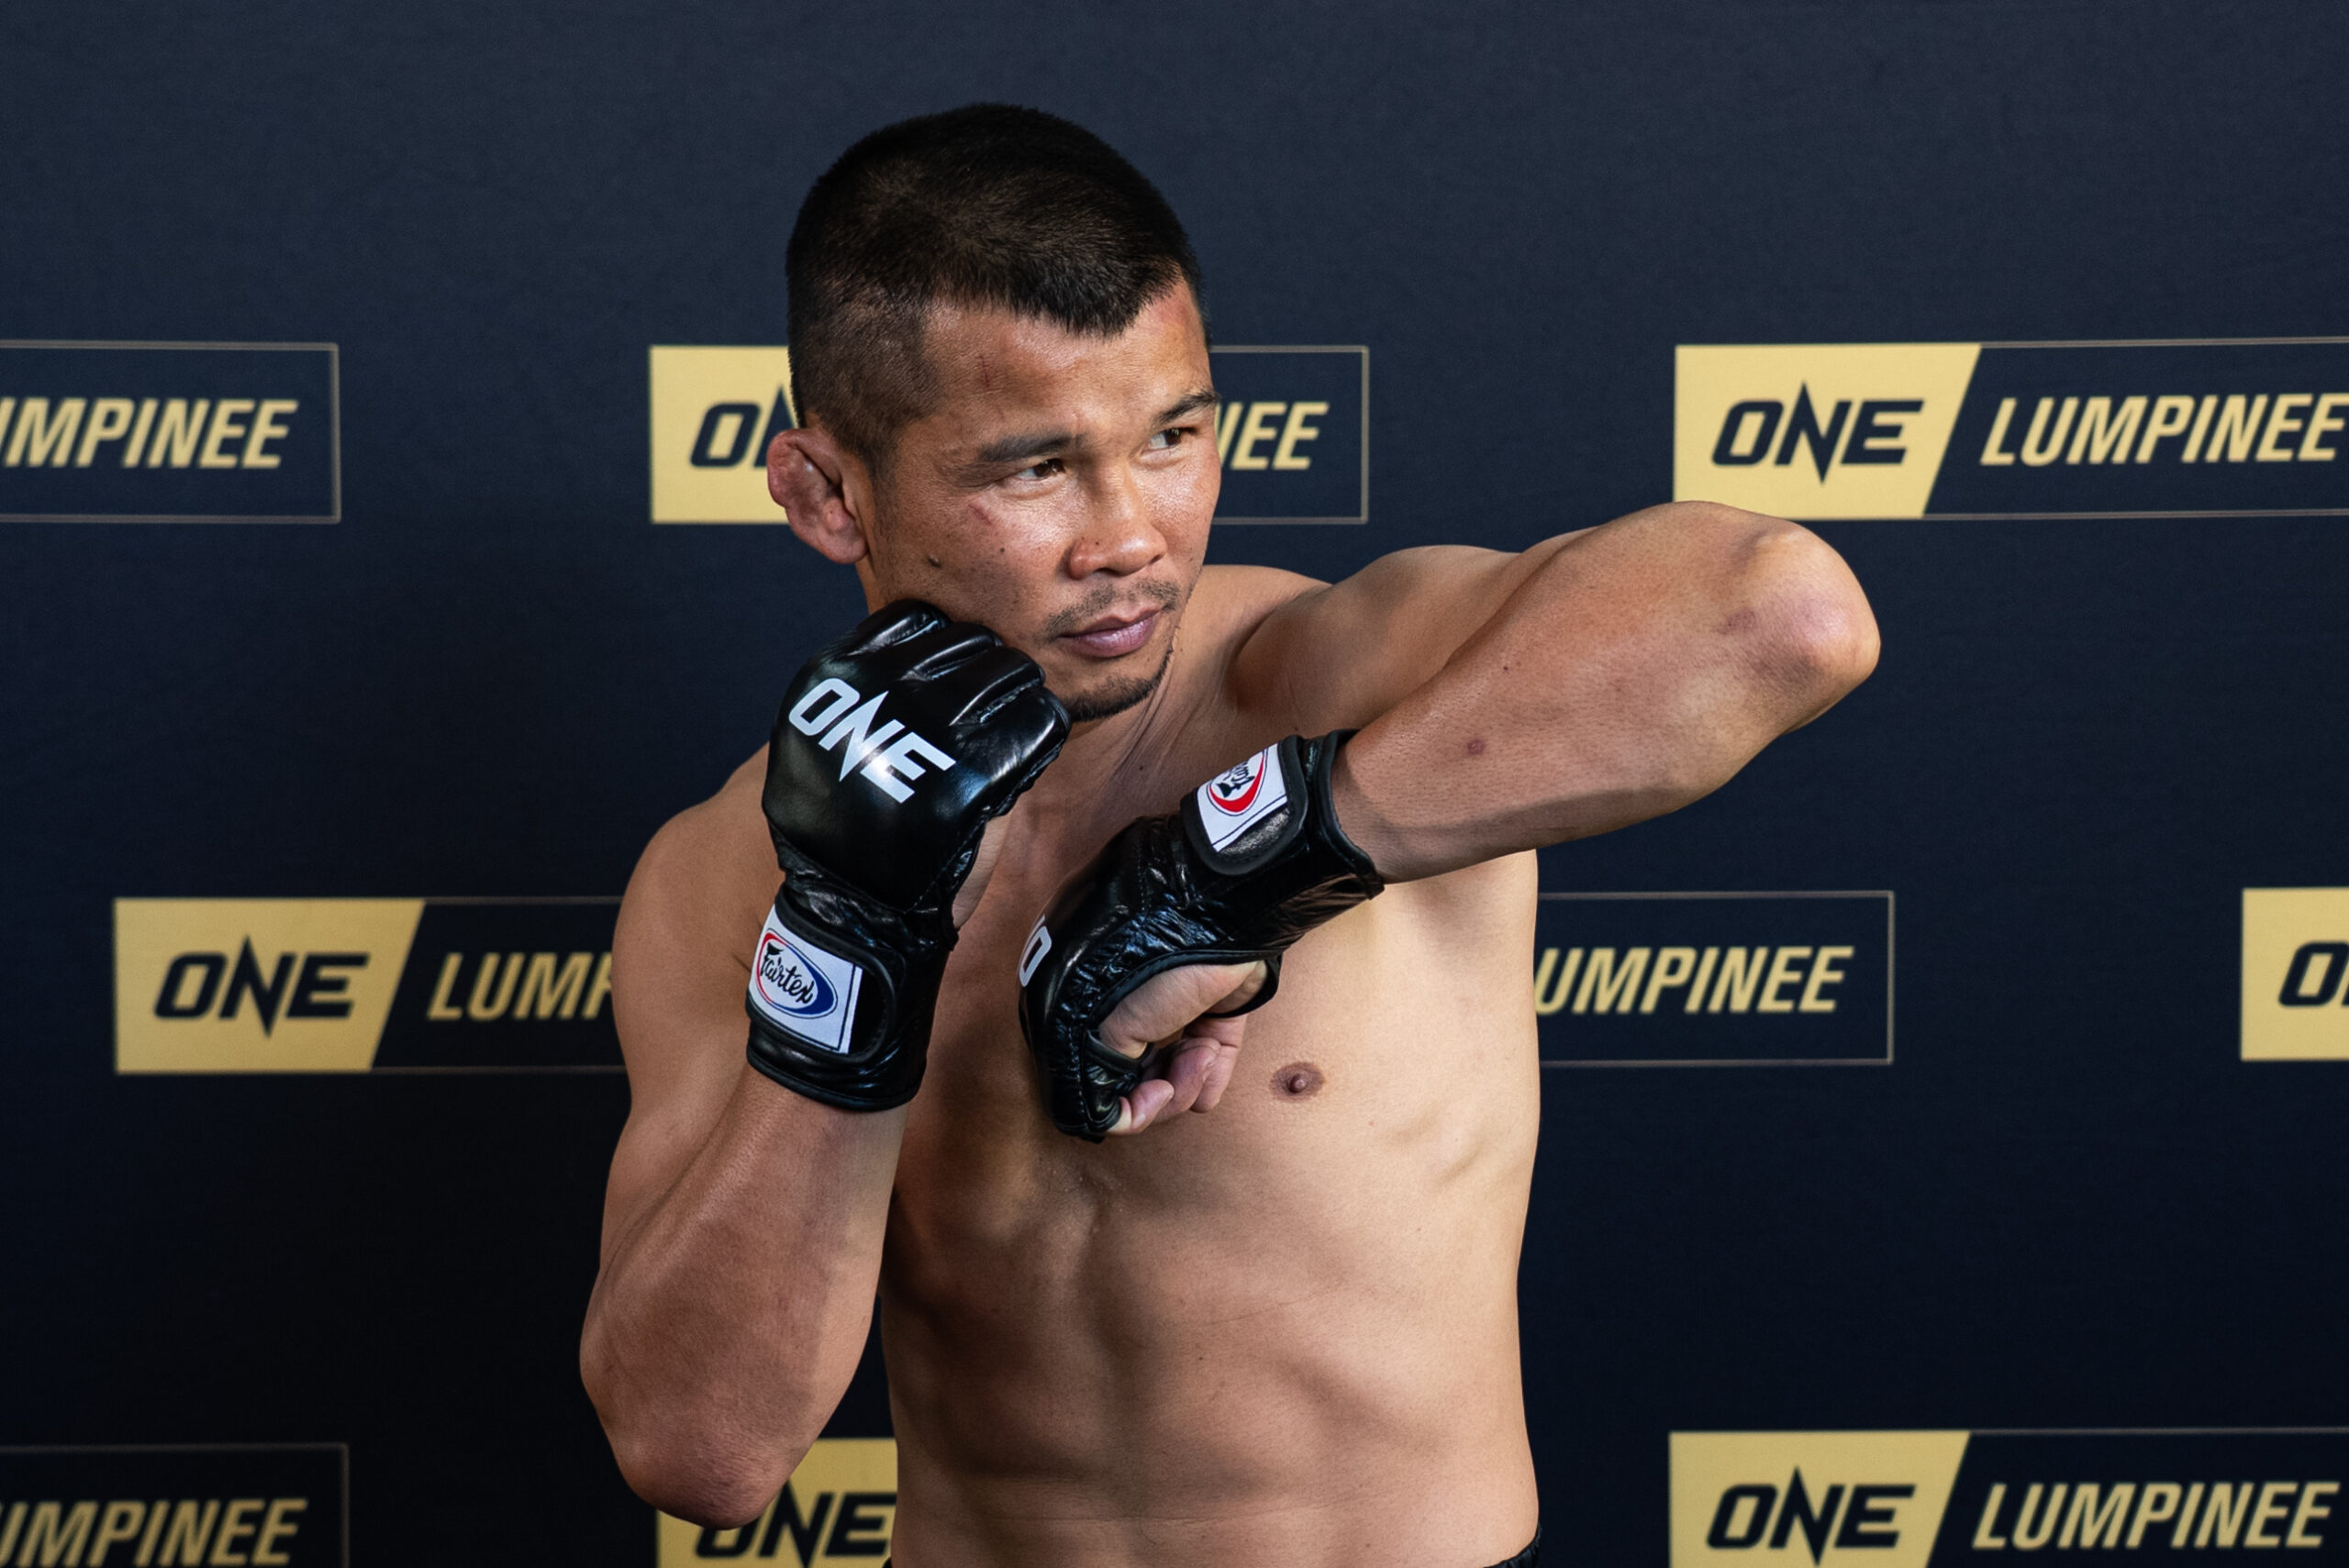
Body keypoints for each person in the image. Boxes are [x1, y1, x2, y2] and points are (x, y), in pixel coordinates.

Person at [580, 103, 1878, 1568]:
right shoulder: (731, 874)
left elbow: (1784, 614)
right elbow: (699, 1449)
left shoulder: (1337, 680)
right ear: (826, 493)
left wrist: (1233, 870)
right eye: (1033, 468)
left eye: (1174, 437)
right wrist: (855, 951)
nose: (1131, 534)